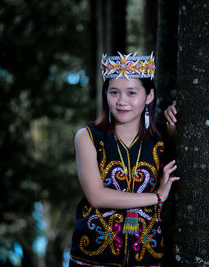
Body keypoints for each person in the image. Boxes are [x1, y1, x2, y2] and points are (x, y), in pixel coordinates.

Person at [69, 52, 179, 266]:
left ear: (149, 96)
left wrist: (179, 112)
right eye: (114, 92)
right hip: (92, 259)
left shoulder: (166, 136)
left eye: (131, 93)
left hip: (148, 260)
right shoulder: (88, 137)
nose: (121, 101)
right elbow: (97, 197)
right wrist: (156, 197)